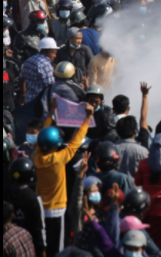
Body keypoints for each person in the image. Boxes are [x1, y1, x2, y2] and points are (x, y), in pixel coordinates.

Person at [35, 99, 95, 257]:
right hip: (57, 211)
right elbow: (75, 142)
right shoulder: (59, 158)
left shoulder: (37, 157)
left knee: (43, 245)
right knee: (58, 248)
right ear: (56, 145)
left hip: (41, 209)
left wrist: (51, 113)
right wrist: (88, 117)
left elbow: (43, 133)